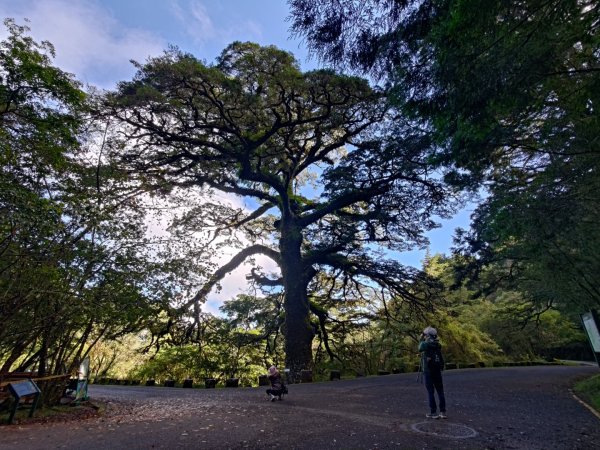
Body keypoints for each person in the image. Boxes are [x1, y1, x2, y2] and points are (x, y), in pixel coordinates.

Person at [418, 326, 447, 419]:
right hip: (437, 369)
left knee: (431, 392)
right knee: (440, 391)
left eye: (425, 334)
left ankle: (433, 412)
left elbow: (420, 348)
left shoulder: (425, 344)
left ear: (427, 335)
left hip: (428, 370)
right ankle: (443, 412)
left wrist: (421, 339)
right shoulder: (437, 344)